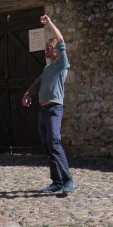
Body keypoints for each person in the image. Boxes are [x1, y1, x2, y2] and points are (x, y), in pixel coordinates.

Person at [20, 15, 74, 195]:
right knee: (48, 146)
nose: (46, 50)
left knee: (54, 143)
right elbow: (37, 83)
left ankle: (68, 181)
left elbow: (60, 40)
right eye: (45, 48)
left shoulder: (61, 65)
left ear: (56, 51)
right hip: (43, 111)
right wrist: (28, 94)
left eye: (49, 48)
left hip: (54, 109)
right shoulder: (47, 68)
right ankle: (56, 182)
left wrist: (49, 23)